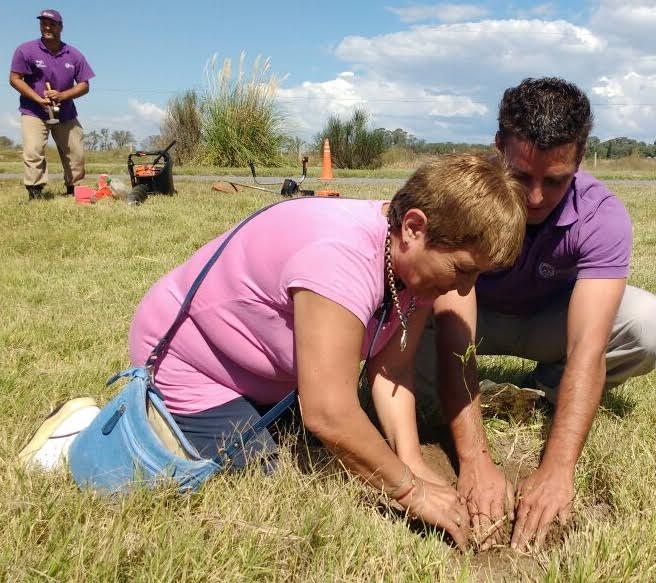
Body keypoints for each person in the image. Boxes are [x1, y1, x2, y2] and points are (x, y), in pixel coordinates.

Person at [19, 153, 526, 549]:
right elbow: (328, 413)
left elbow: (391, 369)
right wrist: (411, 492)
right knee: (258, 469)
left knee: (322, 453)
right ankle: (78, 433)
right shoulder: (342, 258)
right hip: (192, 362)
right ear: (415, 228)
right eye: (463, 269)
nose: (465, 290)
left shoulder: (413, 270)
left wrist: (412, 462)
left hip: (264, 372)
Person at [413, 78, 656, 550]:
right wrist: (474, 462)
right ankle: (464, 402)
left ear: (579, 160)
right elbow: (455, 334)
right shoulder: (464, 197)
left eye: (554, 181)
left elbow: (588, 347)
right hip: (472, 317)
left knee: (647, 323)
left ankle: (544, 390)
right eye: (521, 177)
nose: (535, 198)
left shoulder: (602, 216)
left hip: (548, 324)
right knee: (402, 363)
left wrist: (557, 469)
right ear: (499, 148)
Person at [9, 9, 94, 200]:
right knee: (33, 150)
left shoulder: (74, 54)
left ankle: (75, 189)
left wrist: (63, 95)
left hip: (66, 112)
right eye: (43, 23)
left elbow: (84, 85)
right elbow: (15, 78)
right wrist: (37, 98)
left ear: (61, 27)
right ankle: (36, 192)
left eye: (52, 24)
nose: (47, 27)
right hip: (34, 110)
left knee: (76, 152)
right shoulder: (26, 50)